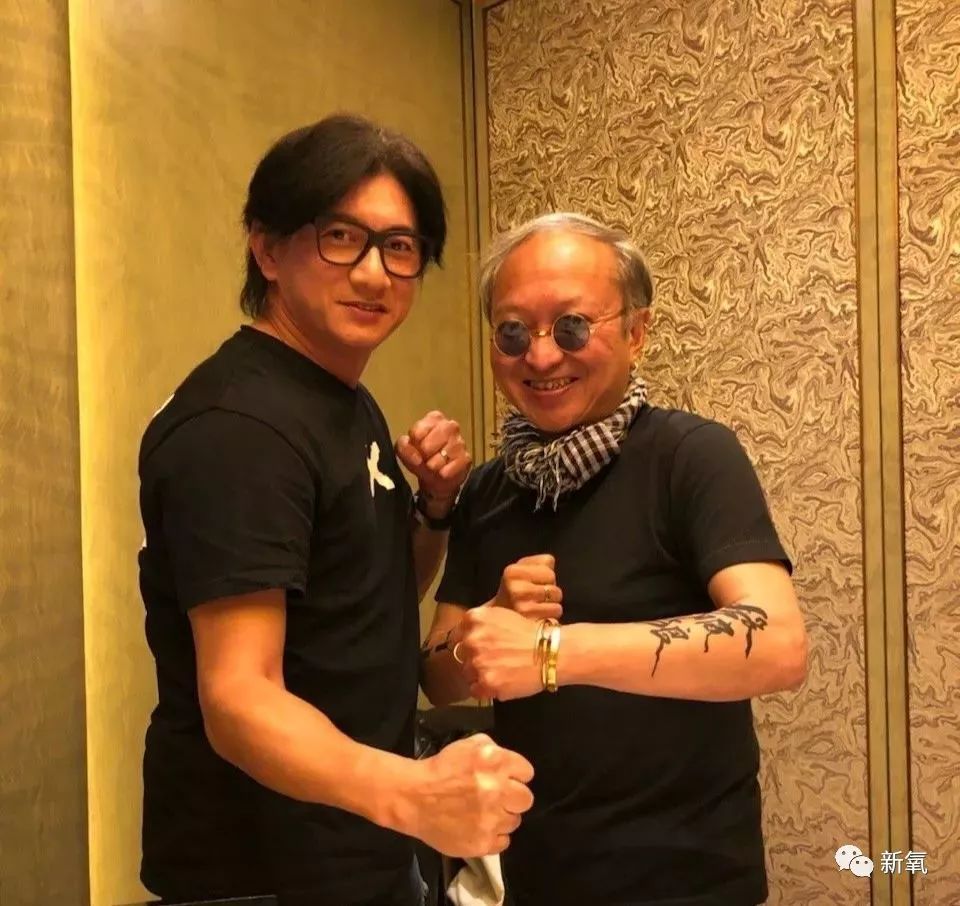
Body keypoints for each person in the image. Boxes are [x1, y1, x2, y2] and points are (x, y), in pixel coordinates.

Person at [137, 114, 533, 906]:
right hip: (259, 871)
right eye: (341, 238)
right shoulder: (241, 427)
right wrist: (416, 795)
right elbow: (240, 699)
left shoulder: (340, 400)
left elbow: (366, 595)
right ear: (267, 249)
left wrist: (435, 510)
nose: (374, 273)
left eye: (400, 246)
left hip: (357, 848)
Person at [421, 212, 808, 906]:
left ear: (636, 332)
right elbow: (440, 678)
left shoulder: (691, 456)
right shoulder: (489, 489)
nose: (541, 357)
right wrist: (487, 624)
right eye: (513, 332)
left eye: (572, 327)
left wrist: (550, 652)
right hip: (539, 878)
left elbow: (778, 644)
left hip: (689, 885)